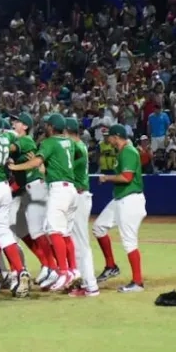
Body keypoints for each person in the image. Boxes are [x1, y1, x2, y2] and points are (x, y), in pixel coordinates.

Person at [8, 113, 78, 292]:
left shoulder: (45, 143)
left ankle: (58, 270)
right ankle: (69, 269)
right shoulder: (69, 142)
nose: (45, 127)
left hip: (49, 188)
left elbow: (36, 162)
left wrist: (15, 166)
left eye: (47, 125)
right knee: (61, 232)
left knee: (46, 231)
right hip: (68, 187)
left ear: (51, 127)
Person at [92, 124, 147, 293]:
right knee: (99, 227)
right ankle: (111, 266)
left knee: (129, 242)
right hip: (120, 199)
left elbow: (127, 177)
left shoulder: (129, 151)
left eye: (109, 136)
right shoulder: (123, 151)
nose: (107, 138)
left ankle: (137, 282)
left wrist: (106, 178)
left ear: (116, 137)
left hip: (130, 200)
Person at [0, 111, 30, 298]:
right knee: (2, 232)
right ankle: (19, 271)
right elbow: (14, 134)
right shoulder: (7, 136)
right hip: (5, 188)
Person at [65, 117, 100, 297]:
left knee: (81, 244)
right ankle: (82, 283)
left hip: (79, 196)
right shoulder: (79, 146)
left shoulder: (76, 148)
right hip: (79, 196)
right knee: (75, 242)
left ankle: (91, 285)